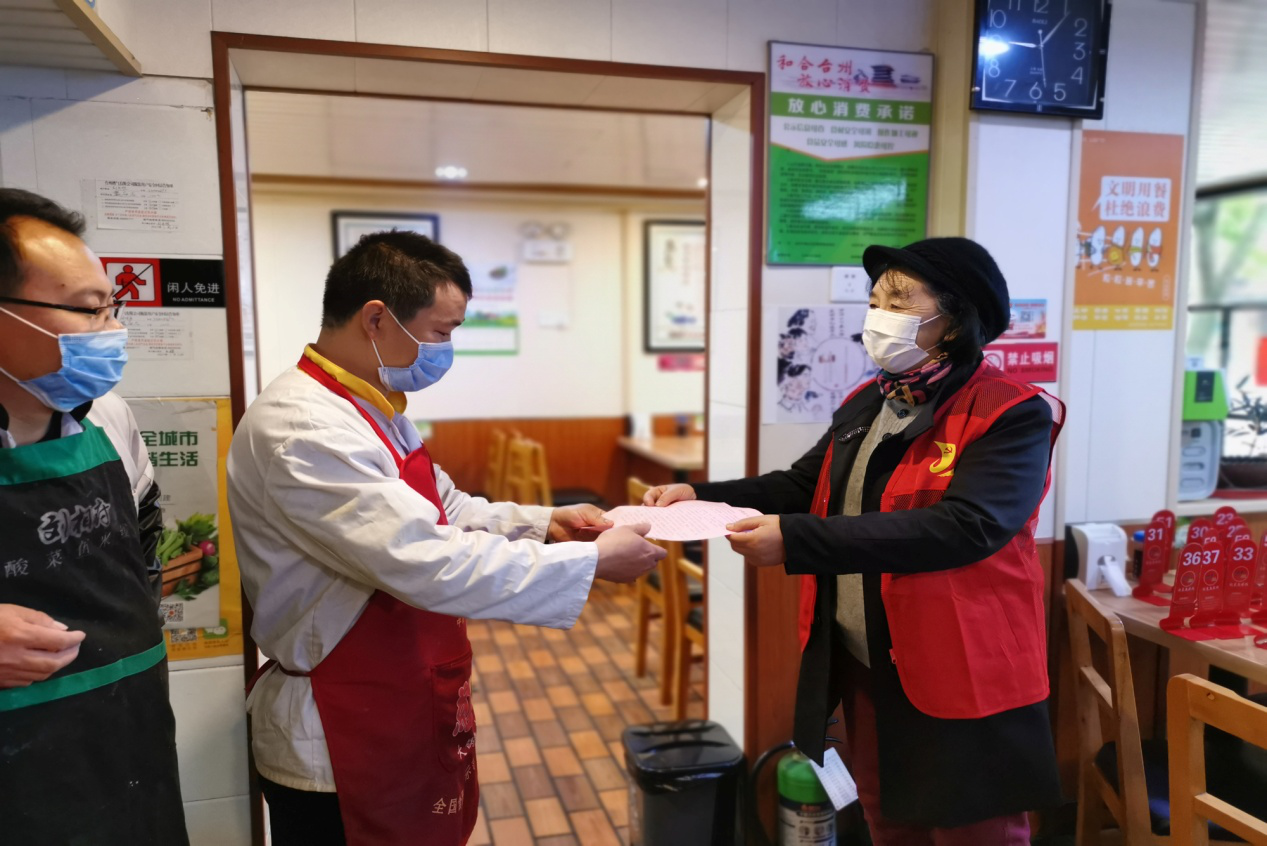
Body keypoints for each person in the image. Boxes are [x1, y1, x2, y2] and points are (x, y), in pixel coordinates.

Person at [227, 230, 664, 846]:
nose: (446, 350)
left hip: (401, 695)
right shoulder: (304, 427)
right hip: (338, 730)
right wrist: (587, 562)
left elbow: (445, 508)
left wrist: (546, 523)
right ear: (376, 319)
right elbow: (424, 559)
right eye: (440, 332)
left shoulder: (372, 407)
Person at [646, 238, 1065, 845]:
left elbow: (967, 525)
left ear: (955, 319)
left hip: (960, 666)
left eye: (898, 300)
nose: (878, 316)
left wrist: (797, 541)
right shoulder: (871, 399)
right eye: (874, 301)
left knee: (975, 832)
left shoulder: (1011, 413)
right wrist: (700, 494)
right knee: (886, 820)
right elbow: (803, 484)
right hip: (867, 660)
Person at [0, 188, 187, 844]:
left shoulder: (109, 417)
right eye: (88, 310)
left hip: (129, 737)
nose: (112, 331)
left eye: (112, 306)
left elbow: (143, 545)